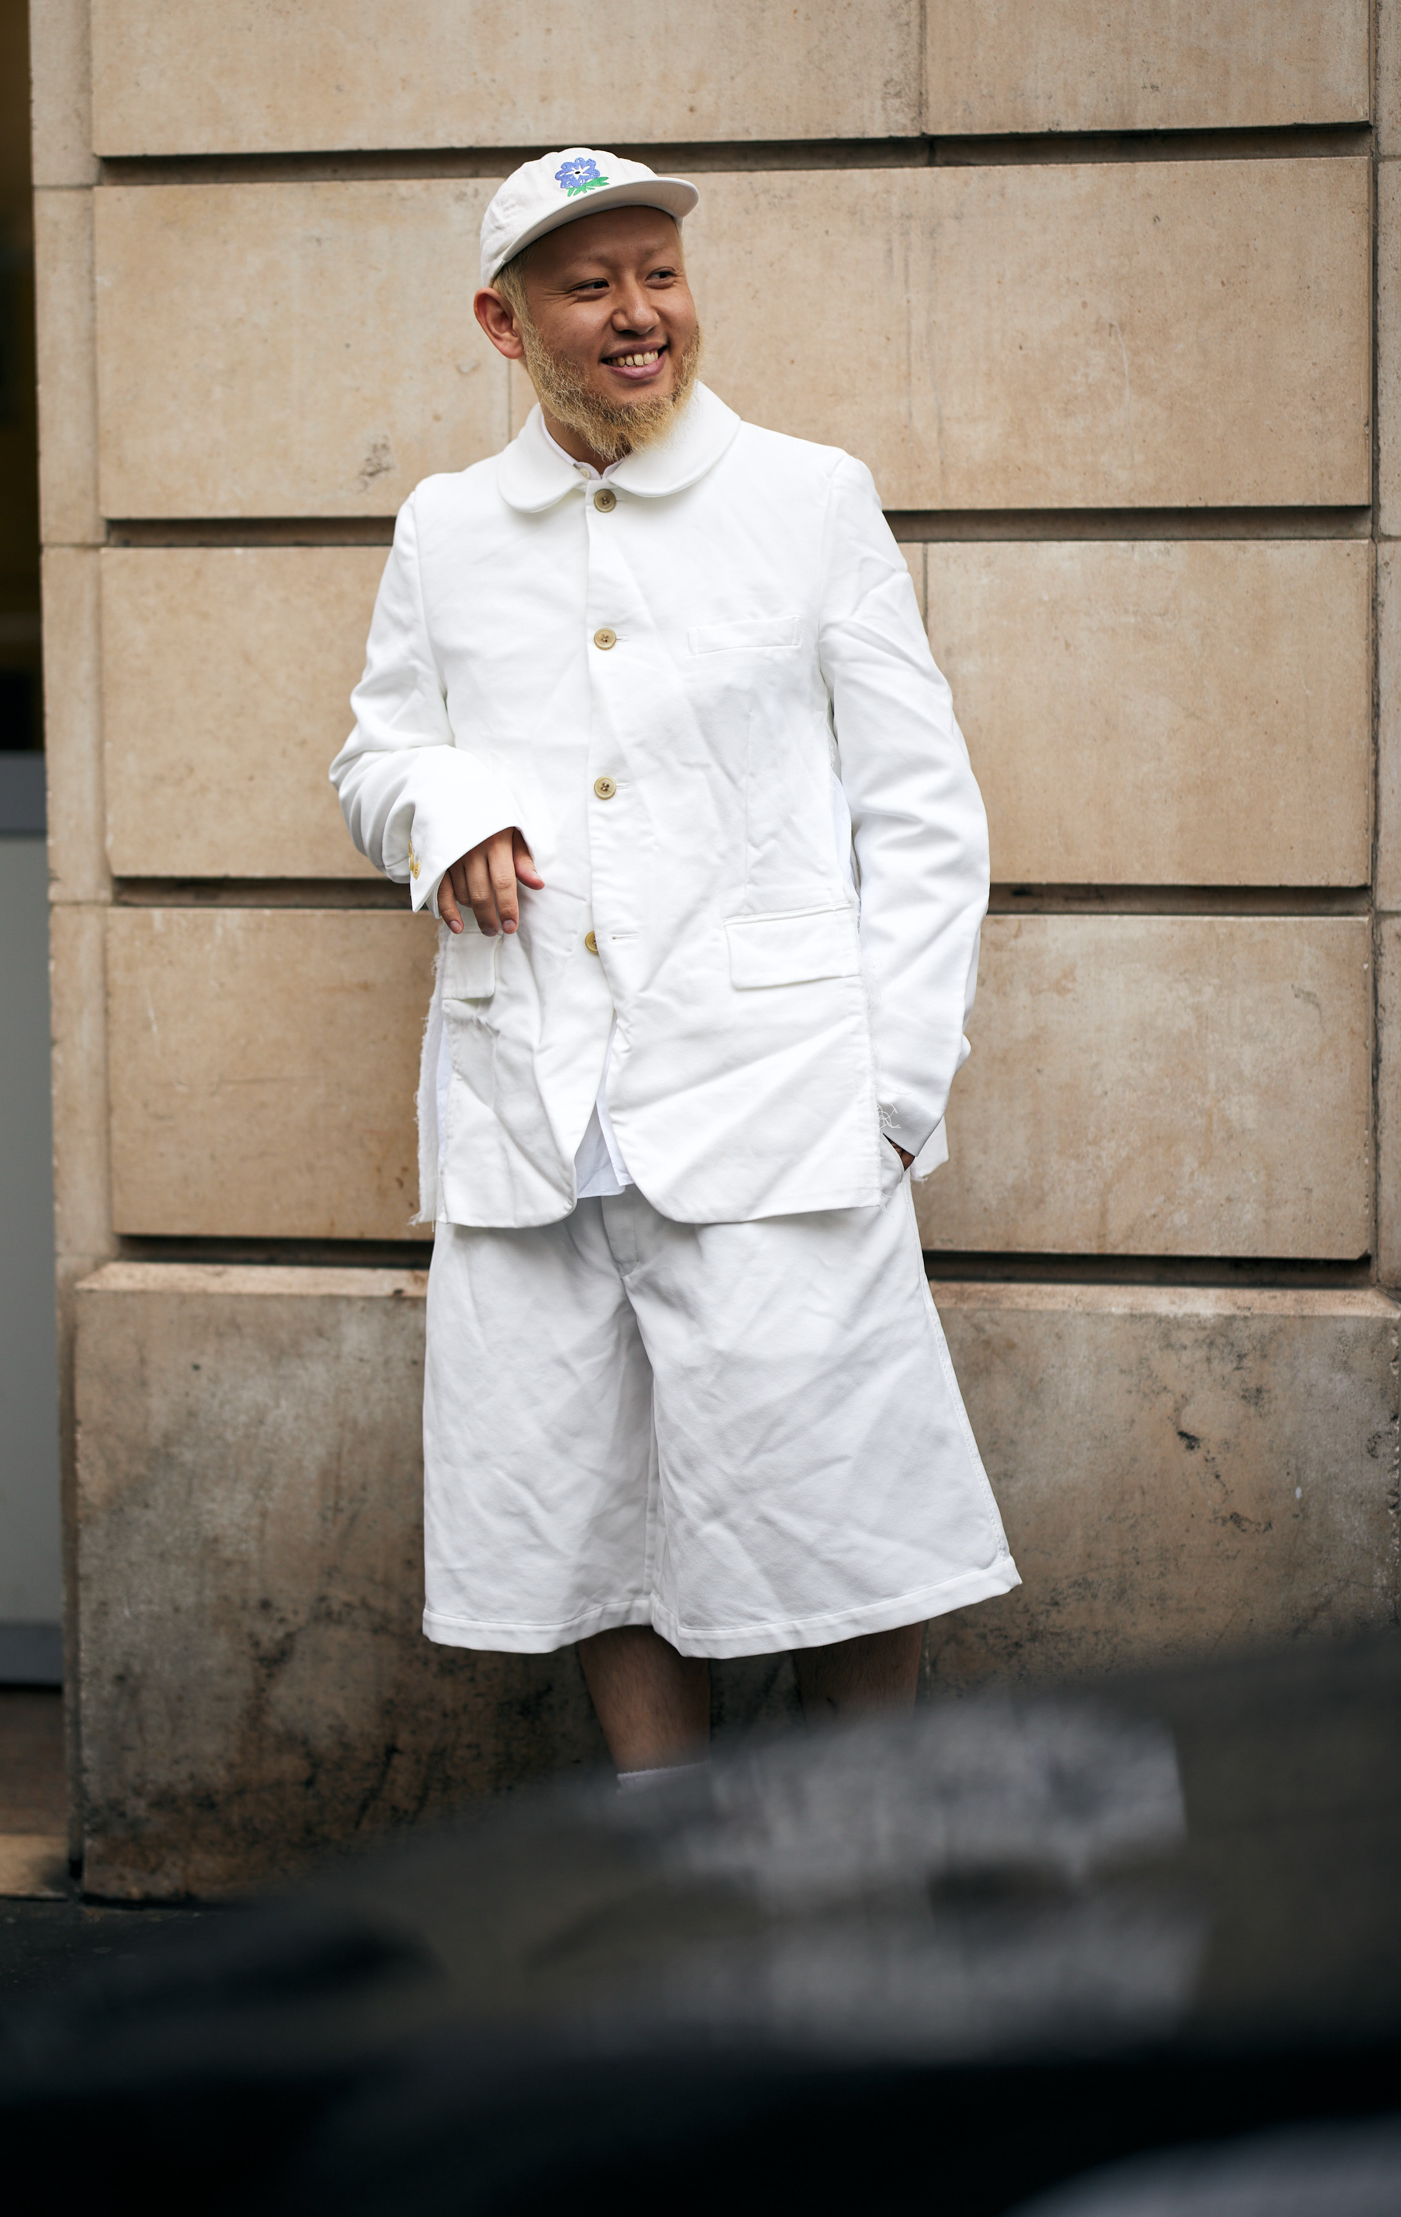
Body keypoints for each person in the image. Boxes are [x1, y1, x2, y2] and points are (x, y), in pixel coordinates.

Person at [332, 147, 1018, 1781]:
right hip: (539, 1103)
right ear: (506, 326)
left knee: (849, 1503)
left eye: (661, 273)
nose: (642, 314)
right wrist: (449, 813)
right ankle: (674, 1873)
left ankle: (850, 1849)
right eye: (594, 285)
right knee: (592, 1508)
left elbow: (924, 814)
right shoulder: (444, 530)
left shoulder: (808, 497)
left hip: (783, 1103)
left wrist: (896, 1093)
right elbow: (376, 758)